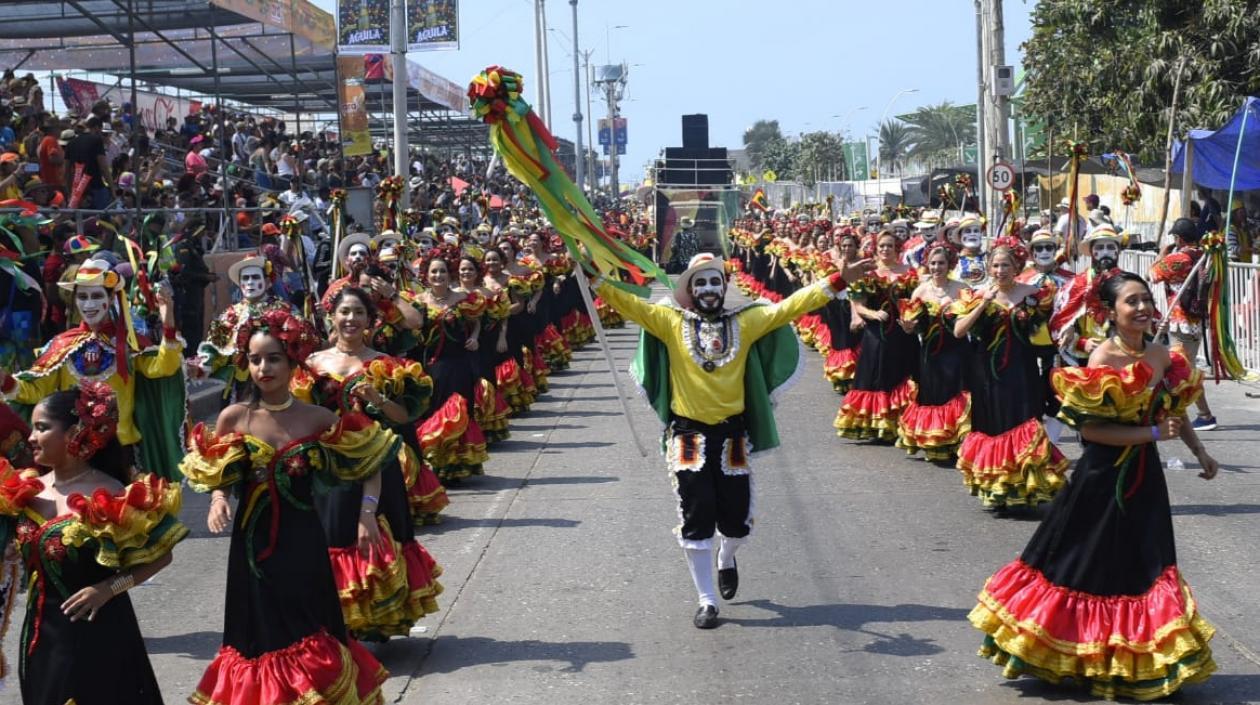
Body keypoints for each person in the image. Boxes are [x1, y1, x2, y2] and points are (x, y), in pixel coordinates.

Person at [969, 271, 1220, 700]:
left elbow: (1171, 409)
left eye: (1146, 299)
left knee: (1144, 563)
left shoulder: (1161, 355)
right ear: (1110, 311)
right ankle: (1076, 653)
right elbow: (1093, 433)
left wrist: (1200, 452)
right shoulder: (1103, 360)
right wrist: (1155, 437)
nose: (1142, 308)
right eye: (1131, 302)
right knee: (1084, 566)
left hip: (1144, 479)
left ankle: (1134, 658)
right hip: (1101, 481)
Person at [596, 252, 869, 629]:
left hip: (732, 434)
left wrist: (837, 281)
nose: (708, 290)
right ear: (690, 291)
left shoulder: (747, 321)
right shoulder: (669, 321)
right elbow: (628, 303)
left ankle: (727, 556)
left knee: (737, 521)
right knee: (696, 515)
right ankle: (706, 600)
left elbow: (792, 306)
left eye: (714, 282)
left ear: (724, 287)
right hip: (688, 433)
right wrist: (593, 278)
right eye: (700, 283)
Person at [179, 310, 396, 705]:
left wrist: (367, 514)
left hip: (304, 542)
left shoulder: (317, 418)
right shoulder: (234, 418)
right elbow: (219, 474)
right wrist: (215, 500)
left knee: (309, 626)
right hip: (251, 547)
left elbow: (370, 461)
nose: (264, 367)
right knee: (260, 635)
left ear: (293, 360)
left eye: (274, 357)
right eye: (256, 358)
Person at [0, 383, 186, 705]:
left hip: (99, 632)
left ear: (75, 433)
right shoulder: (26, 491)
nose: (30, 438)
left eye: (42, 428)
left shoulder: (111, 493)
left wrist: (109, 589)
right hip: (41, 634)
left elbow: (161, 556)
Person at [298, 288, 444, 640]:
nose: (350, 319)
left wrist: (378, 398)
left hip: (377, 463)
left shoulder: (388, 365)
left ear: (370, 320)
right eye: (344, 312)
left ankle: (375, 618)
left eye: (358, 313)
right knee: (329, 538)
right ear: (332, 316)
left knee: (372, 534)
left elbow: (405, 415)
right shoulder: (311, 363)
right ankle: (336, 621)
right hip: (326, 467)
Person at [1, 260, 186, 478]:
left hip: (120, 451)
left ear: (111, 299)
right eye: (83, 297)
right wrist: (6, 381)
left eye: (97, 296)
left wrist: (169, 324)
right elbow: (36, 390)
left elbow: (163, 367)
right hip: (72, 453)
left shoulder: (129, 343)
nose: (89, 304)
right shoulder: (62, 345)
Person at [952, 239, 1067, 509]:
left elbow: (1052, 327)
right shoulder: (977, 294)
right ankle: (996, 487)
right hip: (986, 373)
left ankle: (1026, 485)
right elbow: (959, 331)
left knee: (1025, 423)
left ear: (1017, 267)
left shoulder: (1035, 293)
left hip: (1022, 370)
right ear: (988, 268)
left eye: (1006, 265)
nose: (1000, 270)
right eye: (995, 265)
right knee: (993, 426)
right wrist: (983, 304)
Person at [834, 231, 919, 442]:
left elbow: (917, 302)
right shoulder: (868, 272)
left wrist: (913, 320)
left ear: (897, 248)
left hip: (902, 333)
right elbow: (858, 305)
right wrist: (874, 314)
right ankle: (877, 426)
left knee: (901, 373)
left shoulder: (909, 272)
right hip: (876, 334)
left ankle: (901, 423)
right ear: (876, 248)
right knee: (876, 375)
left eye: (890, 246)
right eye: (882, 246)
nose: (885, 249)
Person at [897, 243, 971, 461]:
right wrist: (908, 326)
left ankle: (959, 442)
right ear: (927, 264)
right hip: (931, 351)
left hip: (957, 350)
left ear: (950, 265)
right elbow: (912, 322)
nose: (937, 267)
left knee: (957, 392)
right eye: (933, 263)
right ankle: (938, 443)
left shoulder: (961, 288)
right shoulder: (920, 290)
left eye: (941, 263)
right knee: (934, 395)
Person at [1150, 217, 1218, 431]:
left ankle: (1204, 415)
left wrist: (1162, 253)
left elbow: (1152, 274)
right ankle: (1181, 412)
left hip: (1182, 322)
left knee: (1183, 371)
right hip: (1195, 320)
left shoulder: (1180, 258)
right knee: (1184, 369)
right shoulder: (1203, 255)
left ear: (1178, 238)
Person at [1050, 225, 1124, 367]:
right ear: (1091, 251)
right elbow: (1059, 322)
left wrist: (1157, 325)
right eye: (1100, 248)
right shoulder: (1077, 284)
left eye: (1110, 247)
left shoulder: (1129, 282)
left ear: (1118, 250)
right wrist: (1082, 343)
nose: (1105, 252)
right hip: (1086, 358)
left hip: (1121, 356)